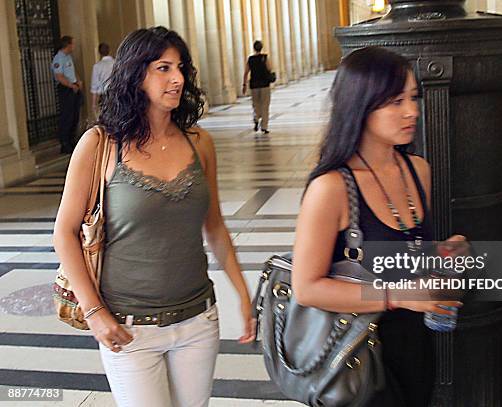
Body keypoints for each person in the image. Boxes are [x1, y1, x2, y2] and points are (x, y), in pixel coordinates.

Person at [53, 27, 255, 407]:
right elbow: (64, 234)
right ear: (135, 74)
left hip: (198, 321)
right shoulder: (100, 145)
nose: (177, 78)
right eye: (163, 68)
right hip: (128, 330)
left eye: (180, 68)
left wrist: (243, 294)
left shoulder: (199, 143)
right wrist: (95, 313)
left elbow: (214, 226)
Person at [291, 47, 465, 406]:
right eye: (395, 101)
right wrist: (398, 296)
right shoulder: (332, 188)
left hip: (416, 346)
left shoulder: (418, 170)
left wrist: (442, 253)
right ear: (361, 105)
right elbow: (307, 288)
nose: (412, 111)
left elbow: (403, 252)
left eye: (413, 97)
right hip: (356, 355)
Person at [51, 35, 82, 154]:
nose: (74, 46)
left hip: (73, 87)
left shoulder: (68, 57)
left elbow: (72, 72)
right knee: (67, 116)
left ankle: (71, 139)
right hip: (66, 89)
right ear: (67, 45)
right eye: (72, 44)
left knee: (74, 115)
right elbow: (59, 76)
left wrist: (78, 81)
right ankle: (65, 143)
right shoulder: (58, 58)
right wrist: (71, 85)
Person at [242, 40, 273, 134]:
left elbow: (246, 73)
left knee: (256, 104)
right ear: (261, 47)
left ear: (254, 48)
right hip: (264, 85)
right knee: (265, 105)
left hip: (254, 85)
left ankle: (256, 118)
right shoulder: (265, 57)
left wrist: (244, 85)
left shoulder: (250, 59)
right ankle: (264, 126)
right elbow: (269, 68)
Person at [90, 42, 115, 113]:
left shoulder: (97, 66)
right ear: (110, 51)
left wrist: (93, 104)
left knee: (106, 117)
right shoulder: (116, 63)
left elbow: (94, 86)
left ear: (99, 53)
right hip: (117, 94)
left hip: (104, 96)